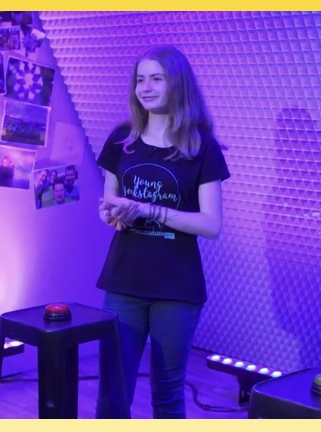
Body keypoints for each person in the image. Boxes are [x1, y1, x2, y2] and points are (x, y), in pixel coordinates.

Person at [94, 44, 230, 419]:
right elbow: (109, 205)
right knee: (112, 394)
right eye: (140, 79)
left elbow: (211, 225)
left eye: (156, 78)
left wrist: (150, 210)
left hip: (177, 288)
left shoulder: (202, 148)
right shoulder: (120, 140)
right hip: (123, 281)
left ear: (178, 84)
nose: (146, 87)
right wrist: (111, 213)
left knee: (168, 398)